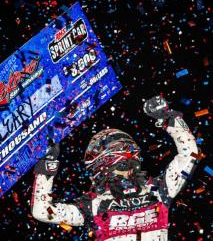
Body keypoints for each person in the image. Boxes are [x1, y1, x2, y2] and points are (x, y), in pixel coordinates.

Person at [31, 96, 200, 240]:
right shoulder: (158, 189)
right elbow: (42, 212)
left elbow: (190, 155)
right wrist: (48, 163)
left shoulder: (158, 189)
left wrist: (168, 118)